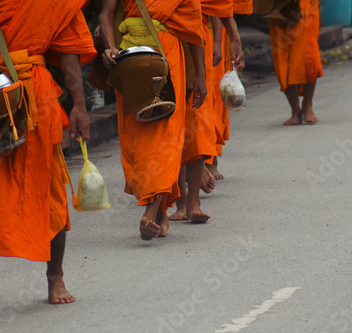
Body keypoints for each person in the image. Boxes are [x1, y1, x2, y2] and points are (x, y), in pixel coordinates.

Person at [0, 0, 96, 317]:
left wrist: (79, 104)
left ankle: (55, 278)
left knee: (46, 187)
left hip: (35, 95)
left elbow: (68, 53)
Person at [100, 0, 206, 240]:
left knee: (164, 135)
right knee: (136, 139)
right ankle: (161, 215)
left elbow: (192, 27)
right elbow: (106, 14)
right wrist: (110, 48)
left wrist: (200, 73)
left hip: (167, 55)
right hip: (130, 58)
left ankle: (150, 211)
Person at [169, 0, 244, 223]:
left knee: (197, 119)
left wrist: (232, 39)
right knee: (172, 124)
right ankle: (180, 201)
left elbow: (217, 5)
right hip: (161, 43)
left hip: (196, 40)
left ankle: (193, 202)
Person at [204, 0, 248, 181]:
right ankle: (188, 163)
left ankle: (209, 160)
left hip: (208, 32)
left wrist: (218, 39)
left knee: (210, 99)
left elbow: (215, 5)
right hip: (172, 33)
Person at [270, 0, 322, 125]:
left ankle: (307, 105)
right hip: (279, 9)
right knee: (283, 60)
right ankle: (295, 110)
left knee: (310, 59)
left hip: (307, 9)